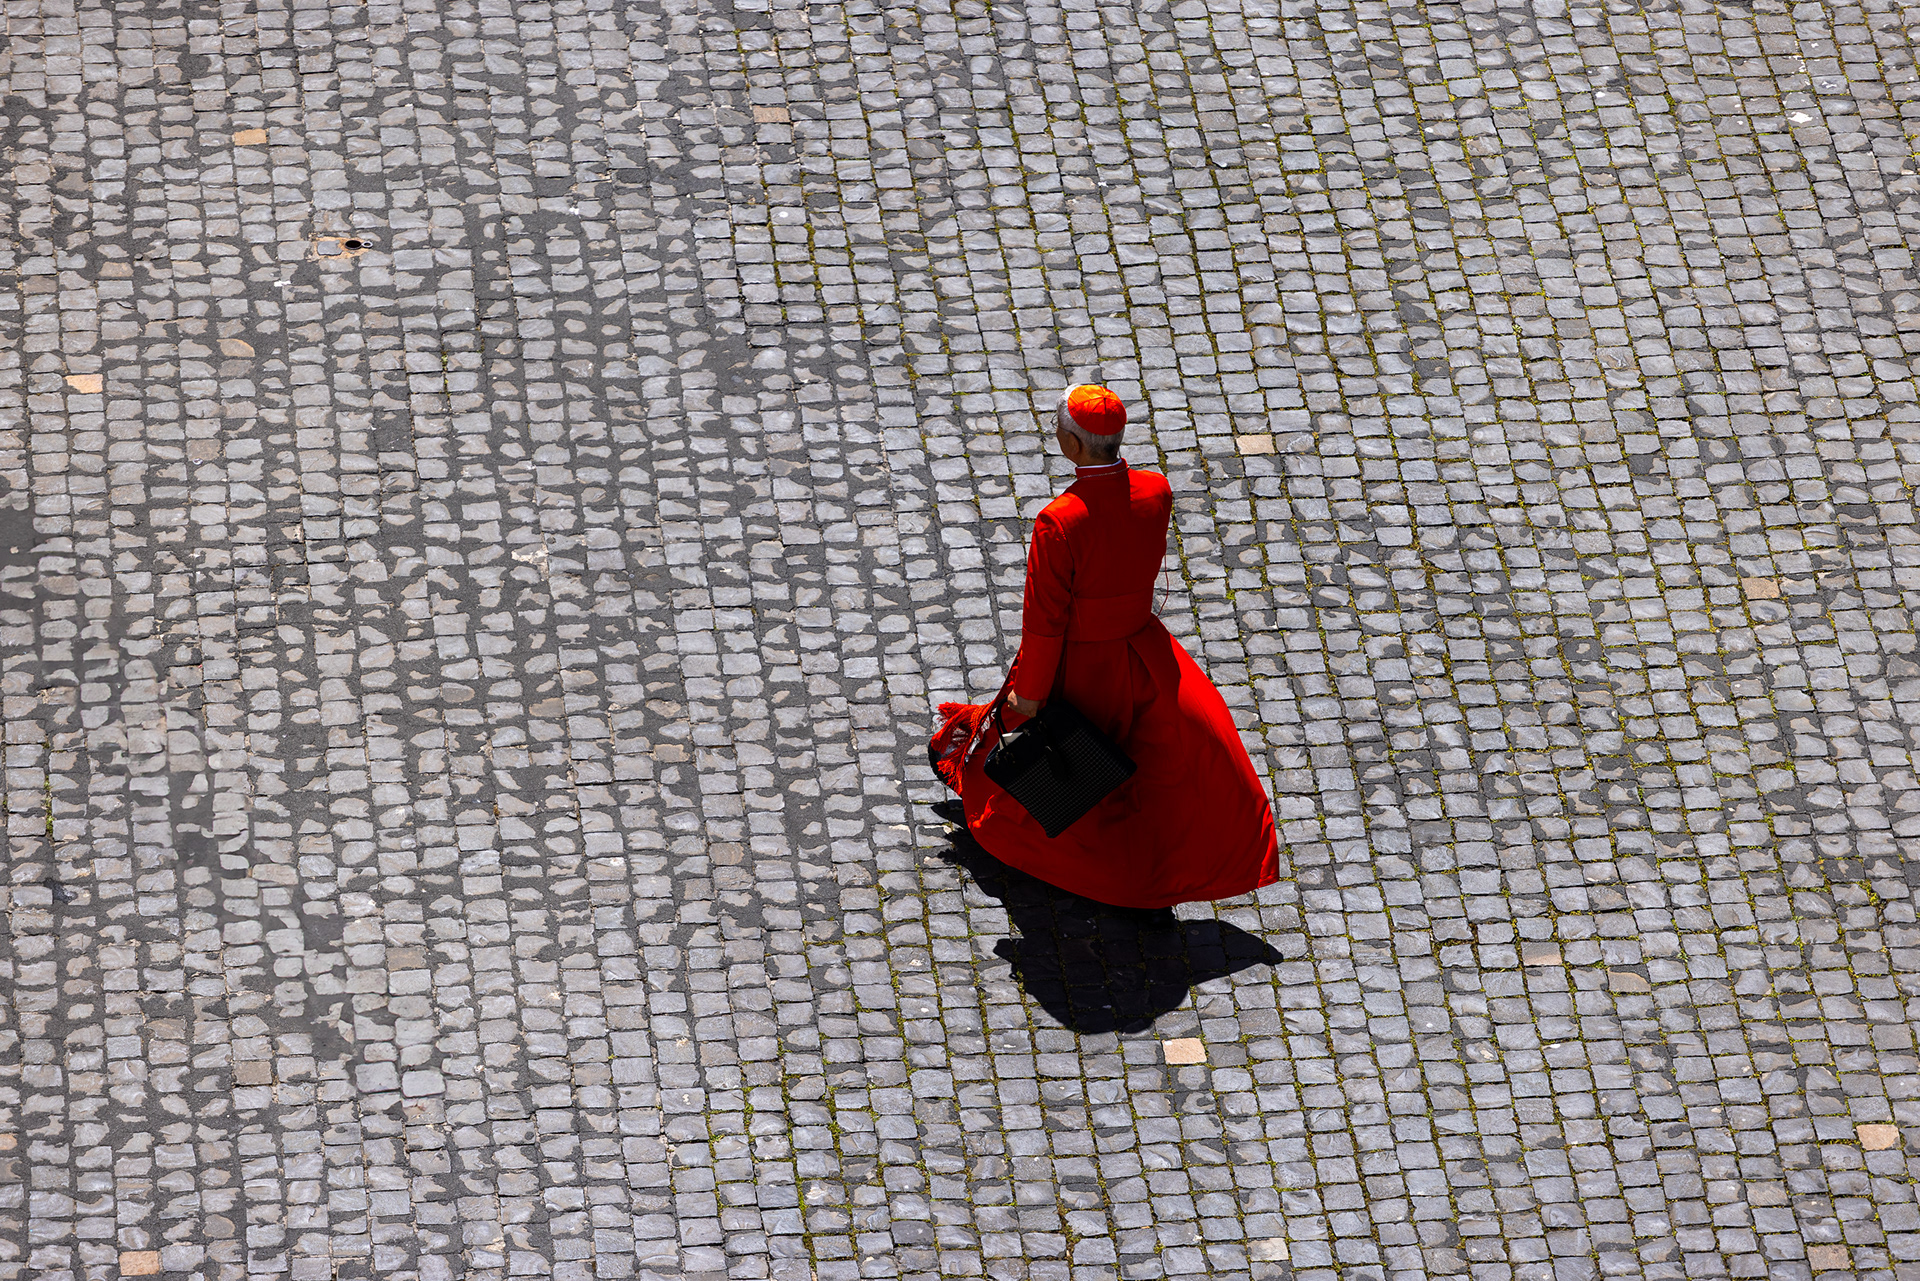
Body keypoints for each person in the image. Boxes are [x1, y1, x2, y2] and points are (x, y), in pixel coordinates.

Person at [928, 384, 1280, 913]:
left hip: (1084, 663)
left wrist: (1028, 695)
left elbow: (1045, 623)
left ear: (1071, 445)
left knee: (1067, 759)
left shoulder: (1059, 520)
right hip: (1144, 652)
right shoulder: (1155, 489)